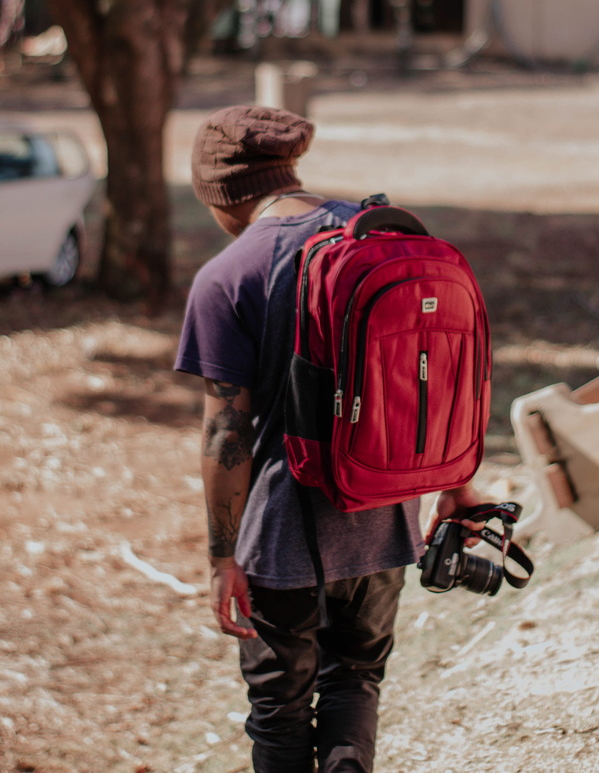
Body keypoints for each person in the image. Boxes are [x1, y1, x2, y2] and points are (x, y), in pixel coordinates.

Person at [175, 105, 484, 772]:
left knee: (280, 713)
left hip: (283, 537)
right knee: (354, 684)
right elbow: (434, 372)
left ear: (222, 193)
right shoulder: (378, 232)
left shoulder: (226, 276)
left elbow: (227, 429)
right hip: (385, 520)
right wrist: (457, 488)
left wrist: (222, 559)